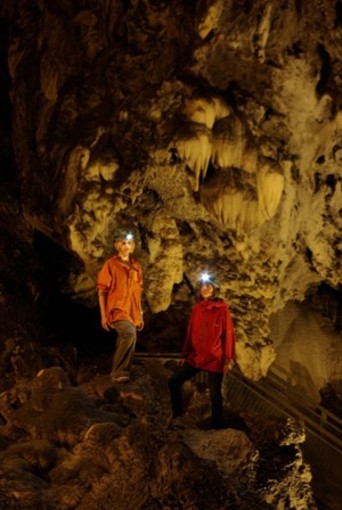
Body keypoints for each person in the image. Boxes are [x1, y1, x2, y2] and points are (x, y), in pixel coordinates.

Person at [168, 272, 236, 429]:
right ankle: (178, 415)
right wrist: (185, 354)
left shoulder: (222, 310)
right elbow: (191, 332)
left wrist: (229, 358)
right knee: (174, 382)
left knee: (215, 395)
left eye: (208, 286)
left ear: (215, 289)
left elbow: (229, 334)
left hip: (215, 358)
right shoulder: (197, 309)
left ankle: (217, 425)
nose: (205, 288)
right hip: (197, 356)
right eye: (203, 286)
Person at [97, 228, 143, 383]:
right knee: (129, 334)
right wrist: (103, 316)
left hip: (132, 311)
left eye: (129, 243)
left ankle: (121, 371)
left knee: (129, 337)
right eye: (123, 243)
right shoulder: (111, 264)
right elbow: (102, 290)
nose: (126, 246)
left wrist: (140, 313)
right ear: (117, 245)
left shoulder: (136, 266)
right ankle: (118, 371)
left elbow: (137, 292)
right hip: (116, 308)